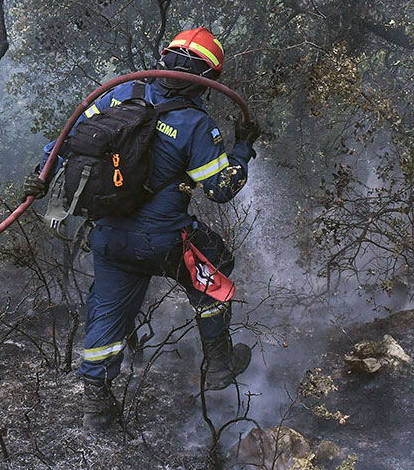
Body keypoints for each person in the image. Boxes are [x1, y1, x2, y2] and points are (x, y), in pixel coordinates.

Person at [23, 27, 261, 430]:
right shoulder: (195, 123)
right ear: (208, 79)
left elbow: (66, 140)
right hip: (166, 239)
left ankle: (96, 406)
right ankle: (219, 365)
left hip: (110, 238)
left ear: (164, 60)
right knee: (216, 265)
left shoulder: (120, 96)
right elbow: (222, 189)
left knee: (108, 314)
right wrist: (242, 148)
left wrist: (41, 175)